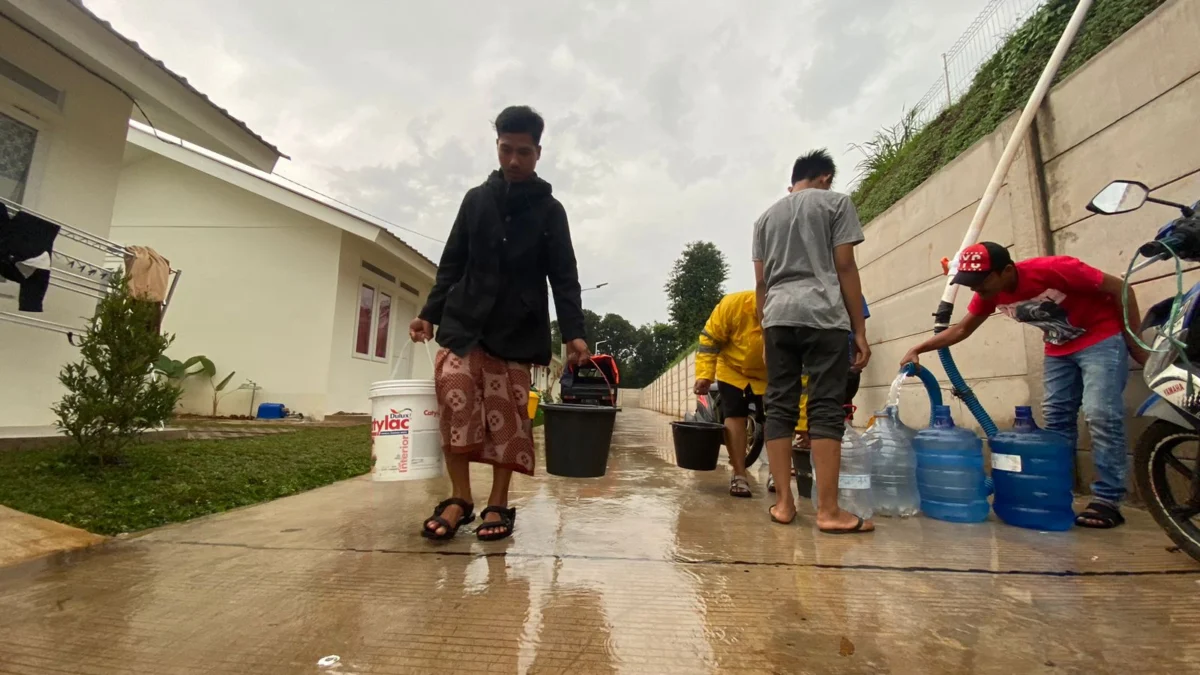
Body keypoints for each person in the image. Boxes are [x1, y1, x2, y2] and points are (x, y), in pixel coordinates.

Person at [410, 105, 590, 542]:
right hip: (464, 321)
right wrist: (429, 314)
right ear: (497, 146)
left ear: (538, 153)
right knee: (455, 397)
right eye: (506, 149)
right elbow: (451, 262)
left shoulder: (551, 211)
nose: (513, 160)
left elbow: (564, 276)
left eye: (523, 152)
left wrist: (575, 333)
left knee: (507, 418)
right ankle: (459, 498)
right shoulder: (475, 200)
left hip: (516, 329)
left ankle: (497, 503)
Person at [900, 242, 1147, 529]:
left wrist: (1134, 342)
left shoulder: (1055, 269)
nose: (975, 289)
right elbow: (962, 328)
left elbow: (1122, 289)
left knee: (1100, 413)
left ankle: (1108, 500)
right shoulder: (989, 292)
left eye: (980, 281)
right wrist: (920, 347)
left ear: (1006, 270)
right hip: (1058, 348)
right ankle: (1056, 491)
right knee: (1056, 423)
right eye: (970, 283)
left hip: (1099, 338)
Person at [752, 148, 872, 533]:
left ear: (795, 179)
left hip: (778, 317)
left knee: (779, 406)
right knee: (824, 406)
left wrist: (766, 325)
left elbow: (760, 283)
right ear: (824, 178)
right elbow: (845, 266)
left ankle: (785, 505)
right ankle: (828, 511)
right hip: (823, 316)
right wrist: (860, 330)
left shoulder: (765, 218)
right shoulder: (836, 203)